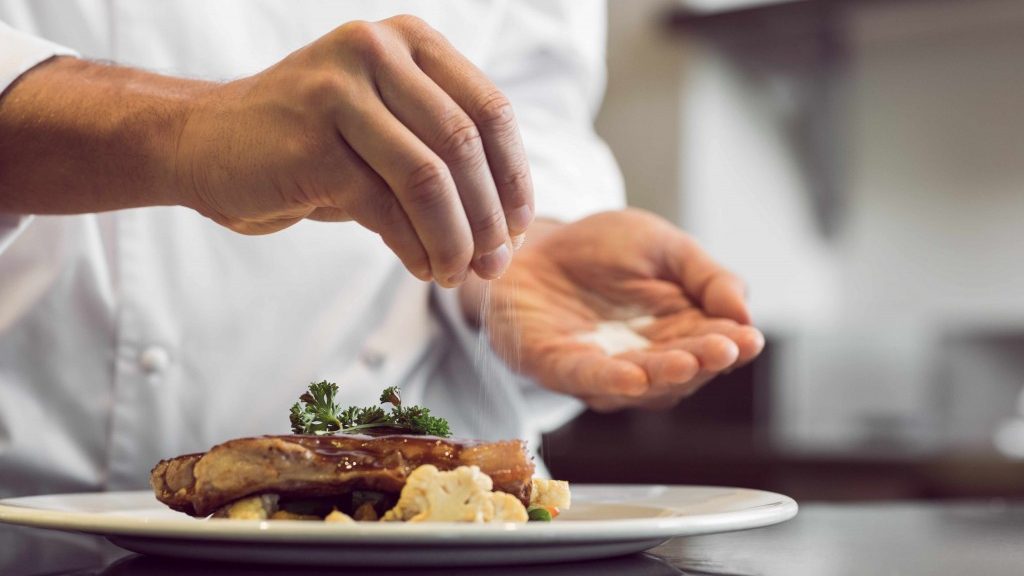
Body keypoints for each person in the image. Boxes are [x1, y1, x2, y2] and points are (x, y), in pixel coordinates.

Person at [0, 1, 763, 497]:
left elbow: (531, 103)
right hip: (30, 511)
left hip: (429, 526)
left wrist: (515, 243)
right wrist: (190, 131)